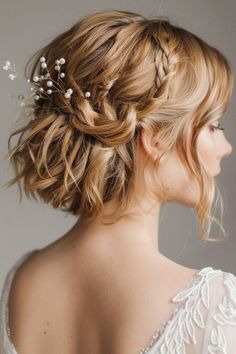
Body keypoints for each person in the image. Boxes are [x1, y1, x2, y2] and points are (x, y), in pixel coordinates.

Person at [0, 8, 235, 354]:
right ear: (155, 138)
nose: (225, 147)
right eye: (213, 126)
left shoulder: (20, 282)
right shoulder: (215, 304)